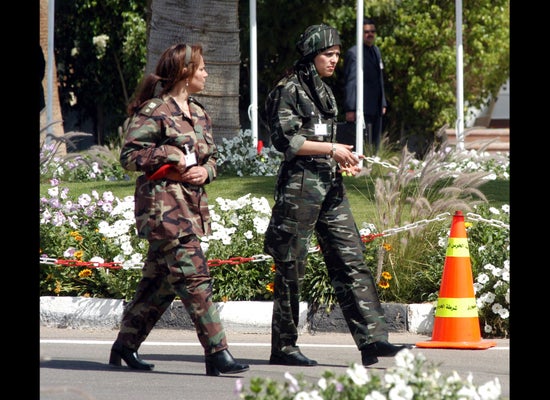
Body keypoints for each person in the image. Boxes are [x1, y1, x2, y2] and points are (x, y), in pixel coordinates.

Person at [263, 24, 409, 367]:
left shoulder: (325, 91)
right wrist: (331, 149)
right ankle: (283, 348)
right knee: (291, 269)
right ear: (311, 55)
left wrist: (344, 157)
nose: (334, 60)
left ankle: (373, 339)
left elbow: (324, 140)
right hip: (300, 191)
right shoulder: (288, 90)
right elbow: (286, 142)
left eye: (337, 54)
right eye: (328, 54)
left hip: (330, 189)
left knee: (352, 258)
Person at [108, 43, 249, 377]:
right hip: (163, 209)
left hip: (190, 206)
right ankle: (218, 353)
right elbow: (129, 156)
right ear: (185, 72)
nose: (206, 73)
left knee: (157, 286)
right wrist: (167, 153)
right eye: (201, 68)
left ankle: (124, 347)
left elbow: (212, 157)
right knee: (196, 278)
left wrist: (206, 171)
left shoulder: (199, 112)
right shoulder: (155, 110)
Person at [343, 18, 387, 153]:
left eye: (372, 31)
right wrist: (350, 108)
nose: (370, 34)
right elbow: (351, 81)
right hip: (361, 107)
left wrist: (383, 102)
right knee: (362, 143)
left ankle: (373, 169)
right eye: (366, 31)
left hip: (376, 106)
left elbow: (380, 79)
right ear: (360, 33)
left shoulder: (376, 51)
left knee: (375, 144)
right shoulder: (354, 53)